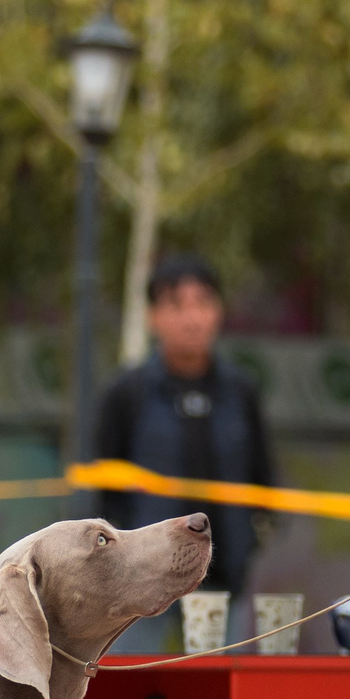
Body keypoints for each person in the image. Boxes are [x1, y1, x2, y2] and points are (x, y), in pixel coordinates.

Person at [91, 253, 276, 651]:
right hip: (140, 586)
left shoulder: (242, 392)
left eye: (203, 303)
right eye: (176, 305)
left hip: (226, 580)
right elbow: (99, 490)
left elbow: (264, 481)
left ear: (219, 312)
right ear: (153, 316)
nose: (192, 318)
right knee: (131, 693)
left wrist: (251, 543)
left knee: (223, 697)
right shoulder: (127, 393)